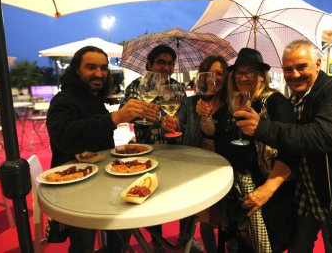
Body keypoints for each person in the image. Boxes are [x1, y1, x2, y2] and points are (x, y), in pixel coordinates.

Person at [235, 40, 332, 252]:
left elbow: (321, 137)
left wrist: (262, 128)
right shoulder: (295, 98)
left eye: (301, 66)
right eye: (288, 69)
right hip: (307, 198)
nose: (294, 74)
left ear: (318, 64)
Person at [46, 46, 159, 252]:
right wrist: (114, 118)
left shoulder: (93, 99)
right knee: (83, 245)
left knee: (122, 230)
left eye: (103, 68)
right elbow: (64, 136)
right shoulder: (63, 101)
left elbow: (100, 137)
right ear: (76, 70)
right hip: (74, 190)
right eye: (91, 67)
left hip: (103, 183)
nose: (99, 74)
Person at [195, 48, 297, 252]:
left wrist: (267, 189)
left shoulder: (275, 102)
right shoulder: (233, 104)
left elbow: (293, 149)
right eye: (239, 72)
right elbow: (217, 137)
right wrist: (205, 117)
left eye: (251, 71)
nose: (244, 77)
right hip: (236, 193)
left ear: (261, 75)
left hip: (266, 195)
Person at [123, 44, 203, 253]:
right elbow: (132, 115)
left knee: (185, 197)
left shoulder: (176, 87)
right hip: (146, 154)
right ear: (149, 64)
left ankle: (186, 239)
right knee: (151, 199)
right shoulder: (135, 87)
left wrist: (177, 122)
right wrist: (159, 119)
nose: (167, 68)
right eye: (161, 62)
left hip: (176, 154)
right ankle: (156, 240)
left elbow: (184, 118)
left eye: (170, 63)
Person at [161, 55, 229, 252]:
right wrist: (169, 123)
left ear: (226, 78)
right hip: (198, 166)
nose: (213, 78)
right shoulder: (190, 102)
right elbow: (177, 123)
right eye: (209, 74)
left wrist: (208, 118)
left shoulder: (230, 104)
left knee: (225, 215)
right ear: (202, 76)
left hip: (225, 164)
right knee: (205, 217)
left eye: (220, 74)